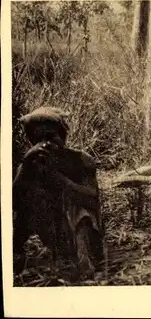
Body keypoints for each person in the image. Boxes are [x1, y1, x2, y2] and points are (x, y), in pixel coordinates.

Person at [13, 106, 104, 280]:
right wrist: (25, 167)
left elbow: (92, 199)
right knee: (31, 198)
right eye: (39, 139)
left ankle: (85, 263)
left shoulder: (81, 160)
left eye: (51, 136)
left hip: (81, 234)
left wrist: (62, 182)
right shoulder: (30, 163)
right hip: (52, 233)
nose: (47, 144)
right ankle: (18, 257)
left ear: (62, 135)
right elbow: (13, 203)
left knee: (78, 209)